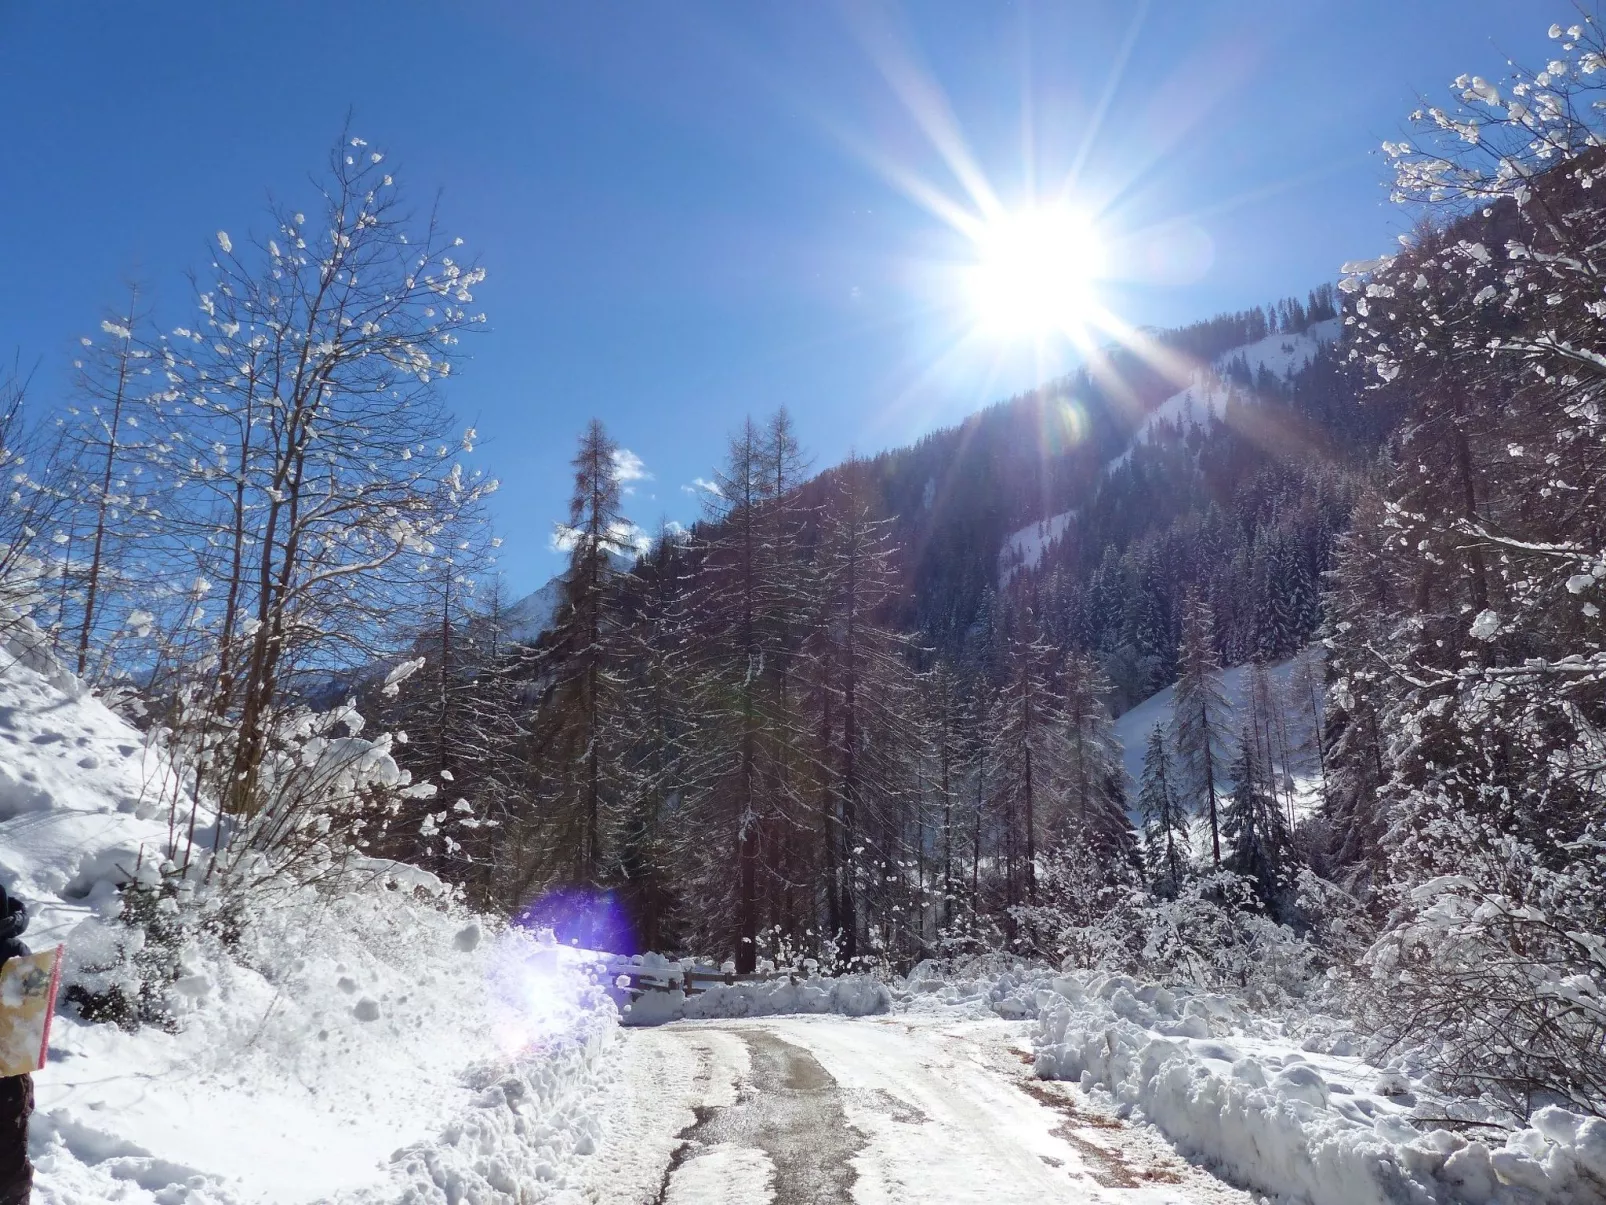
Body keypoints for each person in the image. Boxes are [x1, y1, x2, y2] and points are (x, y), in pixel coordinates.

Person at [0, 883, 31, 1205]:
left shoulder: (14, 952)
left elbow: (27, 1010)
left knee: (8, 1149)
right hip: (11, 1066)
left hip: (7, 1065)